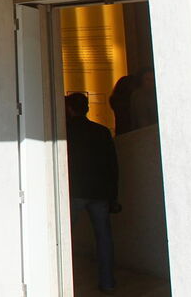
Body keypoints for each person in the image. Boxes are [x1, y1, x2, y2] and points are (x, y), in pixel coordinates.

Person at [65, 92, 119, 295]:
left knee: (64, 236)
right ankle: (108, 282)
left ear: (69, 109)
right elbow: (112, 165)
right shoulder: (102, 131)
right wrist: (113, 195)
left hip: (75, 190)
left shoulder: (64, 132)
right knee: (104, 238)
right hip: (99, 192)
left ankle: (63, 282)